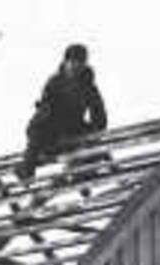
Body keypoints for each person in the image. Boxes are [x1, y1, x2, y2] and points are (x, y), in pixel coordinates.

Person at [16, 43, 108, 179]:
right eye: (73, 62)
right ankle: (26, 169)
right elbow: (45, 111)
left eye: (80, 63)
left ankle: (83, 172)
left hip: (73, 126)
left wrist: (95, 131)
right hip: (52, 125)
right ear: (66, 62)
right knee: (37, 132)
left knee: (91, 143)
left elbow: (98, 112)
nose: (76, 67)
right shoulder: (55, 83)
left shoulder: (87, 84)